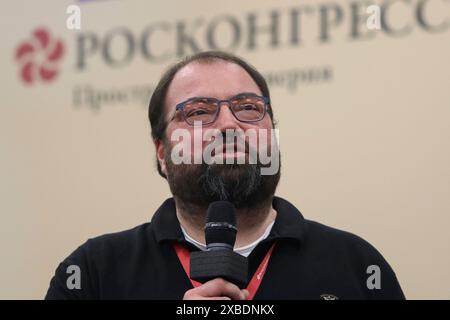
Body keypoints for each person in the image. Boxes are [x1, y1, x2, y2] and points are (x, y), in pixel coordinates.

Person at [45, 51, 405, 300]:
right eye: (199, 111)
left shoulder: (358, 265)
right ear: (162, 154)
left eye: (248, 108)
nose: (230, 123)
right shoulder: (92, 273)